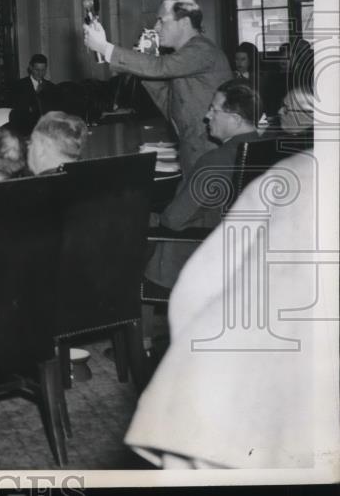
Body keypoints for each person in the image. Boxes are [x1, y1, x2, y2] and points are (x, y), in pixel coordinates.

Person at [125, 151, 339, 468]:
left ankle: (139, 341)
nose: (209, 115)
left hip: (194, 276)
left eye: (217, 107)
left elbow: (193, 279)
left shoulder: (223, 162)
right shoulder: (263, 151)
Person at [83, 0, 231, 176]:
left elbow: (160, 67)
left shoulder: (201, 49)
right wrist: (144, 63)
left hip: (208, 157)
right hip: (195, 154)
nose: (156, 27)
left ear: (183, 22)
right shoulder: (185, 58)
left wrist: (104, 47)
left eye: (162, 20)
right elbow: (169, 106)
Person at [145, 79, 263, 290]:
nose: (206, 116)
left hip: (204, 258)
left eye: (214, 110)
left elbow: (173, 220)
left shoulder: (215, 160)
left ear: (235, 119)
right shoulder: (268, 149)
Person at [10, 54, 57, 130]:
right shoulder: (19, 86)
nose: (40, 73)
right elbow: (18, 112)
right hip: (26, 129)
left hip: (47, 129)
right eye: (37, 70)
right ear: (31, 68)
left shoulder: (51, 87)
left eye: (43, 70)